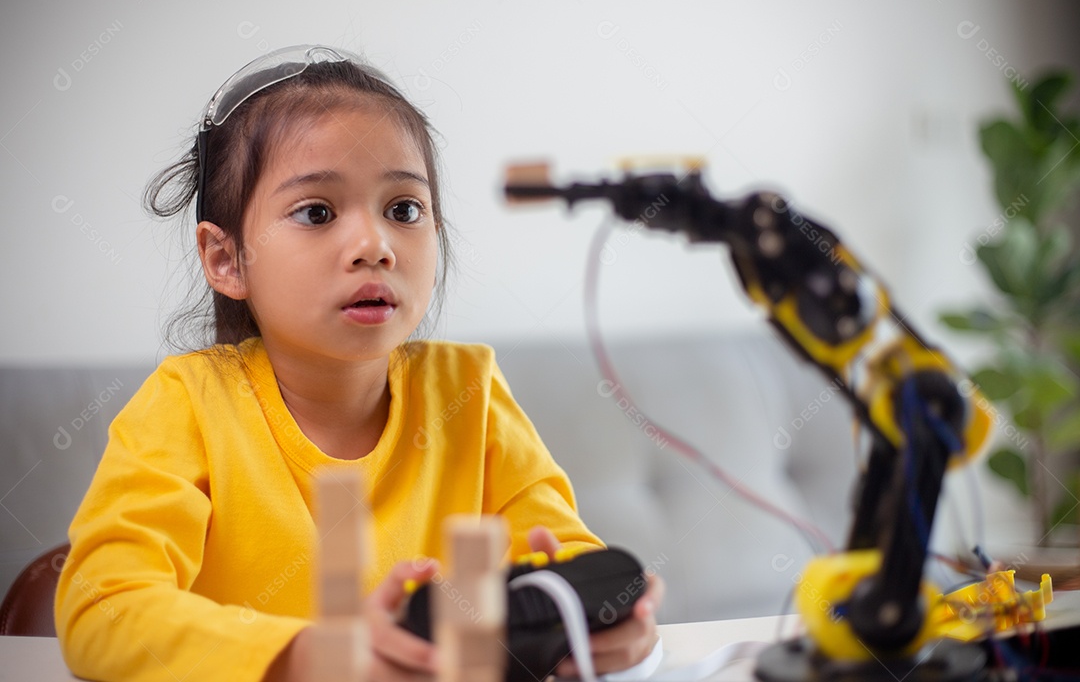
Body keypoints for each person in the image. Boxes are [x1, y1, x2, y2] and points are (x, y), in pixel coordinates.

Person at [54, 45, 664, 682]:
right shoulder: (188, 404)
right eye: (316, 212)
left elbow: (573, 569)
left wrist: (609, 633)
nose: (374, 245)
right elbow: (103, 609)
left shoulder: (468, 390)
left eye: (404, 210)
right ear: (227, 259)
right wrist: (307, 657)